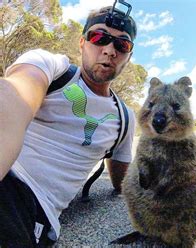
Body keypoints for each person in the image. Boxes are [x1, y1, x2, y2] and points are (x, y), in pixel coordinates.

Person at [0, 5, 137, 247]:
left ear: (128, 55)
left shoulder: (125, 117)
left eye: (121, 45)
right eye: (99, 37)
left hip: (29, 204)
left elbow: (121, 181)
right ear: (83, 42)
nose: (109, 50)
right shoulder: (51, 67)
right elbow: (14, 97)